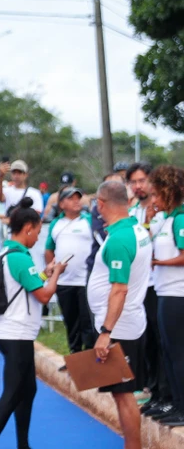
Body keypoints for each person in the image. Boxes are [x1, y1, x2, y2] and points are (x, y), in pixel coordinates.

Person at [0, 197, 66, 449]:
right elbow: (44, 295)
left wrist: (44, 274)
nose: (38, 237)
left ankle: (23, 445)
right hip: (16, 334)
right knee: (12, 394)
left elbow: (25, 285)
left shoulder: (9, 253)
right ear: (28, 228)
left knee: (27, 391)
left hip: (14, 333)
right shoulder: (20, 258)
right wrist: (56, 274)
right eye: (38, 231)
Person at [88, 178, 153, 449]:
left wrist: (105, 333)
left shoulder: (120, 239)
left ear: (101, 205)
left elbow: (119, 290)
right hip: (126, 323)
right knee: (121, 394)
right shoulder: (135, 230)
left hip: (120, 328)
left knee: (124, 395)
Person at [147, 165, 184, 427]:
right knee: (168, 353)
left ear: (169, 192)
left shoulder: (180, 218)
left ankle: (183, 408)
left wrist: (159, 263)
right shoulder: (166, 219)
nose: (153, 199)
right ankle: (176, 403)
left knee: (178, 353)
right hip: (165, 292)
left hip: (177, 294)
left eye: (157, 194)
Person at [126, 161, 164, 412]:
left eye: (142, 181)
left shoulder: (161, 211)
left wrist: (149, 221)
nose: (139, 186)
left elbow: (150, 245)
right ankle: (151, 388)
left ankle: (163, 393)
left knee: (161, 341)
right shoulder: (131, 213)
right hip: (137, 287)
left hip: (158, 287)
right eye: (134, 182)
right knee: (145, 339)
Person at [43, 186, 96, 355]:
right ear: (61, 203)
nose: (76, 201)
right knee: (71, 321)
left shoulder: (88, 220)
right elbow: (49, 249)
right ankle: (75, 356)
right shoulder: (56, 224)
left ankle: (89, 358)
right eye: (71, 198)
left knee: (87, 322)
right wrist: (53, 270)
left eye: (77, 198)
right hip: (65, 282)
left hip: (85, 281)